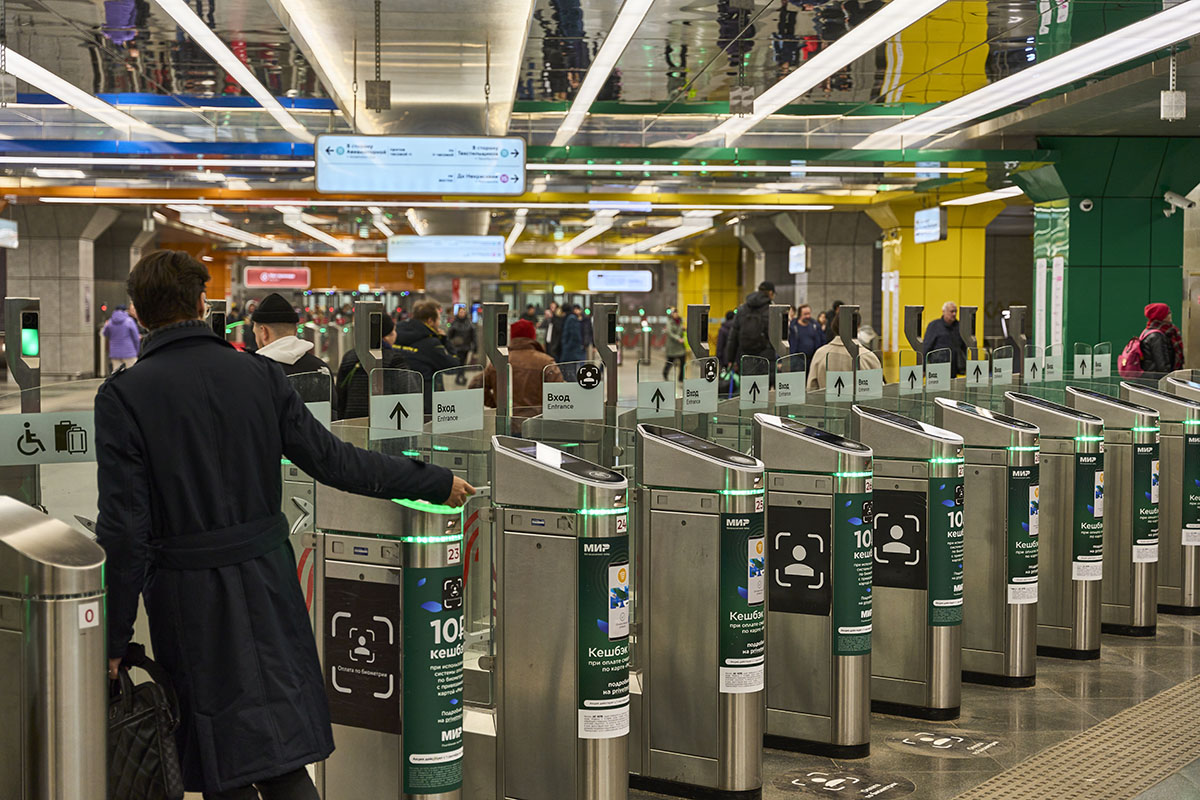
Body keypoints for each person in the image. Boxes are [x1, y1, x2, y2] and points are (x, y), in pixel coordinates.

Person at [95, 249, 474, 800]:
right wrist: (432, 481)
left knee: (218, 757)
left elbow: (124, 532)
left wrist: (114, 637)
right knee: (281, 752)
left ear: (138, 312)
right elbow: (338, 463)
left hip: (189, 597)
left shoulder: (124, 397)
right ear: (203, 304)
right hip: (270, 584)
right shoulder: (260, 376)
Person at [472, 319, 564, 432]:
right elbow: (561, 393)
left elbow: (475, 386)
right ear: (532, 336)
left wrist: (497, 404)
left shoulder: (499, 363)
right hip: (537, 427)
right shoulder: (545, 362)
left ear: (512, 338)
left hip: (506, 426)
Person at [394, 300, 460, 412]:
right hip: (425, 401)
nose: (439, 323)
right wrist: (444, 340)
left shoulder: (395, 335)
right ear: (430, 321)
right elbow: (454, 366)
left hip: (397, 396)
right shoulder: (432, 344)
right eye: (438, 319)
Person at [334, 313, 402, 420]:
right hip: (386, 421)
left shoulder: (349, 357)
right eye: (393, 331)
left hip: (352, 423)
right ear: (386, 336)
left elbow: (340, 395)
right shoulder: (394, 359)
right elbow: (407, 391)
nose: (396, 334)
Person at [252, 293, 330, 377]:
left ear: (264, 332)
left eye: (255, 334)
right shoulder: (322, 369)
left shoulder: (253, 371)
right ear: (295, 331)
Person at [808, 308, 883, 390]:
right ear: (858, 327)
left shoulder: (820, 354)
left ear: (834, 325)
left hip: (824, 402)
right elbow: (879, 390)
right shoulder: (869, 357)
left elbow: (811, 388)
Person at [724, 281, 777, 369]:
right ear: (771, 293)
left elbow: (733, 337)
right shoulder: (771, 310)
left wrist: (730, 359)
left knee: (747, 382)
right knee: (765, 382)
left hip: (745, 357)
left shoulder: (742, 309)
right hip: (766, 358)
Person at [922, 301, 968, 377]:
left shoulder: (959, 327)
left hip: (953, 368)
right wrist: (923, 368)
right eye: (951, 311)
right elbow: (926, 347)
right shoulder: (934, 326)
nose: (954, 314)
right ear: (944, 312)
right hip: (937, 366)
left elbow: (964, 348)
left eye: (955, 311)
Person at [1140, 302, 1185, 373]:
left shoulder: (1165, 332)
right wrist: (1168, 379)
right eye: (1168, 313)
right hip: (1155, 380)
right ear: (1161, 315)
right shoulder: (1156, 336)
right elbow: (1161, 364)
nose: (1170, 315)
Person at [102, 304, 141, 372]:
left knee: (117, 374)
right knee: (133, 372)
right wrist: (137, 350)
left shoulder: (110, 322)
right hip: (129, 352)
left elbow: (105, 333)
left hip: (115, 352)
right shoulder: (129, 321)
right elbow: (135, 338)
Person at [447, 306, 477, 384]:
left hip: (466, 347)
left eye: (463, 312)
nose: (462, 313)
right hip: (457, 347)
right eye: (460, 312)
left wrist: (475, 347)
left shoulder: (469, 323)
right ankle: (460, 376)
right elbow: (450, 335)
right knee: (459, 362)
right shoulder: (454, 323)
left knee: (463, 362)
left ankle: (460, 376)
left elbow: (473, 335)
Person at [664, 309, 687, 380]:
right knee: (670, 361)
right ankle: (665, 373)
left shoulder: (680, 321)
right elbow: (670, 332)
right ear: (672, 314)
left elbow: (680, 329)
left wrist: (683, 329)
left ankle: (681, 377)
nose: (676, 314)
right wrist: (678, 338)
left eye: (677, 313)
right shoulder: (669, 322)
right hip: (672, 346)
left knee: (683, 361)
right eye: (674, 313)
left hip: (680, 346)